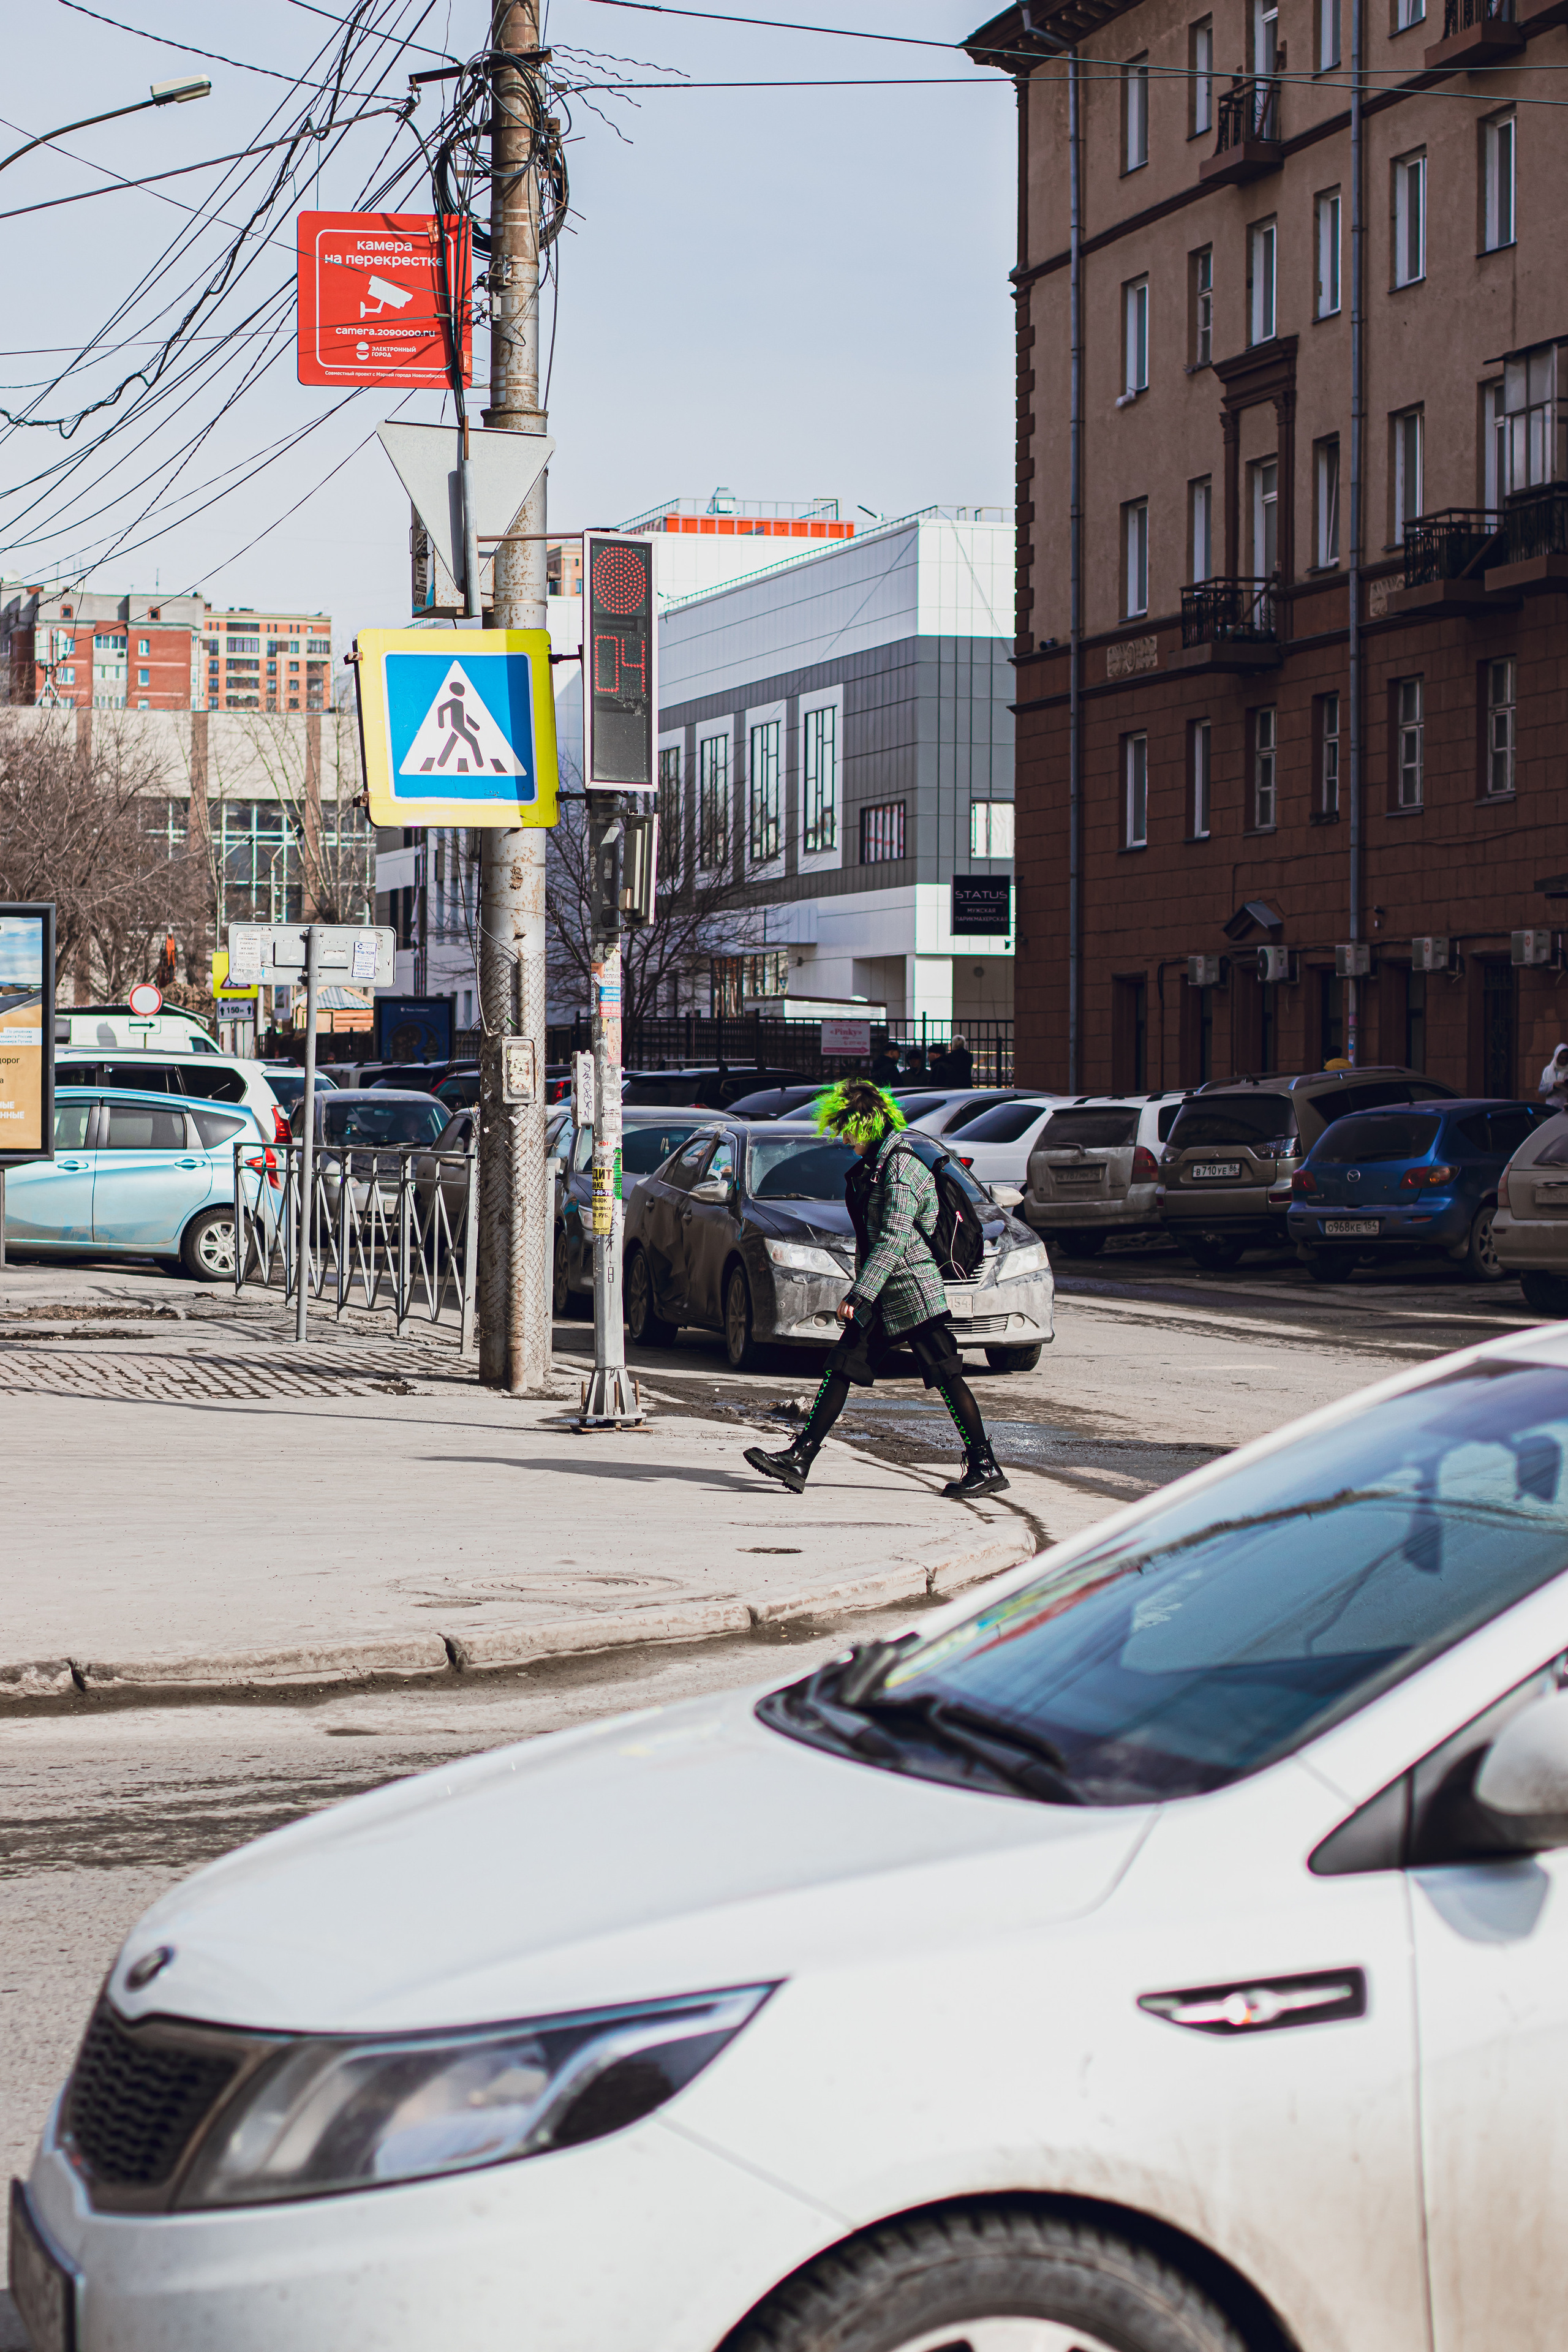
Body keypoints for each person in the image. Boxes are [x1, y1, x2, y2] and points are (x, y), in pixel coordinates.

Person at [744, 1079, 1009, 1501]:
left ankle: (984, 1465)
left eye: (847, 1129)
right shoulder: (880, 1163)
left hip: (913, 1294)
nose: (844, 1139)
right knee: (843, 1366)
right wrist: (869, 1292)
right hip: (888, 1294)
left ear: (865, 1124)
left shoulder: (901, 1167)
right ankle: (800, 1457)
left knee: (946, 1374)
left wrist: (860, 1294)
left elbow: (894, 1238)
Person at [1540, 1044, 1568, 1109]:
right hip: (1551, 1108)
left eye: (1567, 1058)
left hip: (1565, 1108)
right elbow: (1541, 1090)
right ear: (1557, 1057)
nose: (1564, 1061)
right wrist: (1553, 1086)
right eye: (1562, 1058)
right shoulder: (1548, 1071)